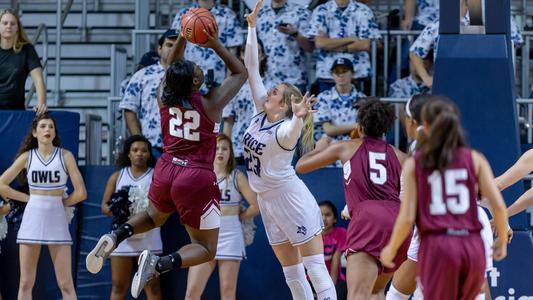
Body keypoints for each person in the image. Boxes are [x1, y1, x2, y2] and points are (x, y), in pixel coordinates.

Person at [86, 23, 247, 299]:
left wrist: (184, 37)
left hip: (166, 167)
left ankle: (116, 236)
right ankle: (158, 264)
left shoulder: (164, 95)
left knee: (152, 217)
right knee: (206, 248)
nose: (196, 67)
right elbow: (240, 72)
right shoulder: (211, 103)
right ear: (196, 82)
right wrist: (214, 44)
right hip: (196, 175)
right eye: (196, 70)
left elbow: (172, 64)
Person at [243, 1, 337, 299]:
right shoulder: (261, 111)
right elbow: (251, 67)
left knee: (315, 270)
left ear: (283, 105)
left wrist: (298, 118)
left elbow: (292, 132)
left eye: (275, 92)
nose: (269, 90)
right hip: (268, 202)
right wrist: (251, 27)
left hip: (291, 199)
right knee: (292, 276)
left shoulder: (284, 130)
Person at [380, 98, 509, 299]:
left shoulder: (416, 163)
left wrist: (392, 248)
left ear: (421, 124)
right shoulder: (475, 158)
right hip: (471, 241)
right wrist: (501, 238)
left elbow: (406, 218)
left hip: (439, 243)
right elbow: (498, 205)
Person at [296, 98, 410, 299]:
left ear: (359, 126)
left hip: (368, 219)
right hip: (399, 220)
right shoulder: (400, 155)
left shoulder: (346, 147)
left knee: (358, 293)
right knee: (375, 290)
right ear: (385, 129)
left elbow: (301, 166)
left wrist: (320, 146)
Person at [0, 114, 87, 300]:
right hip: (32, 218)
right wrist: (27, 198)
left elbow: (81, 193)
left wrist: (60, 203)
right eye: (43, 126)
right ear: (34, 132)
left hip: (57, 219)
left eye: (51, 127)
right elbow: (1, 184)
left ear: (55, 133)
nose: (47, 130)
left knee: (65, 283)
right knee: (25, 282)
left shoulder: (65, 156)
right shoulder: (27, 157)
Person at [185, 134, 259, 300]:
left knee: (227, 292)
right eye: (216, 148)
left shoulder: (236, 176)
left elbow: (256, 205)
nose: (220, 151)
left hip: (230, 235)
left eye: (225, 148)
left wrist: (241, 216)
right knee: (192, 291)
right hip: (206, 236)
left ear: (230, 153)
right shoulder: (200, 175)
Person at [100, 135, 162, 300]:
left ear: (149, 154)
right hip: (123, 238)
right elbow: (104, 206)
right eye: (135, 150)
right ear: (128, 154)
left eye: (144, 150)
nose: (139, 154)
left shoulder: (156, 176)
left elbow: (165, 206)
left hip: (149, 237)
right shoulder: (118, 176)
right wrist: (120, 212)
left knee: (153, 286)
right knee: (119, 286)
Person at [120, 29, 178, 158]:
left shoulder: (191, 76)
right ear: (159, 49)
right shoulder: (142, 75)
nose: (173, 49)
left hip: (183, 148)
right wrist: (140, 141)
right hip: (151, 147)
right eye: (169, 45)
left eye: (177, 46)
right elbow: (129, 109)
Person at [308, 0, 381, 93]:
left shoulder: (364, 10)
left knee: (360, 107)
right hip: (327, 74)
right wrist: (350, 39)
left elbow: (364, 44)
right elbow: (320, 43)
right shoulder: (321, 10)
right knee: (325, 107)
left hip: (357, 74)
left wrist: (331, 44)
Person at [171, 0, 243, 90]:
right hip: (188, 82)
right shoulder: (183, 14)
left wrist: (228, 84)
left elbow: (232, 51)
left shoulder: (227, 15)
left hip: (218, 81)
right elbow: (175, 48)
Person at [222, 41, 269, 165]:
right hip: (238, 147)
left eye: (256, 51)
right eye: (247, 52)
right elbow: (228, 122)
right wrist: (226, 150)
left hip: (265, 148)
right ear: (241, 55)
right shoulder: (233, 85)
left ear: (262, 56)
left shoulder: (273, 86)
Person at [256, 0, 314, 92]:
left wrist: (295, 34)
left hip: (294, 81)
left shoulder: (302, 13)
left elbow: (310, 48)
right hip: (267, 81)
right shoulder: (259, 15)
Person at [0, 9, 47, 114]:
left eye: (12, 23)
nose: (8, 26)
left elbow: (38, 79)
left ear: (17, 28)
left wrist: (42, 104)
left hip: (16, 111)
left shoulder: (27, 49)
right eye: (4, 23)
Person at [314, 58, 366, 144]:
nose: (341, 75)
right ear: (332, 75)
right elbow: (328, 130)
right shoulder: (323, 97)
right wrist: (355, 126)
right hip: (330, 146)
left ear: (352, 74)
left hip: (354, 145)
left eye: (344, 71)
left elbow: (363, 129)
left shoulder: (362, 98)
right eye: (337, 72)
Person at [318, 201, 347, 299]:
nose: (323, 219)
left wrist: (332, 290)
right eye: (320, 215)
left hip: (336, 279)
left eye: (328, 215)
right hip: (314, 280)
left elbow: (335, 261)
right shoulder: (312, 237)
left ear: (335, 219)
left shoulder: (341, 233)